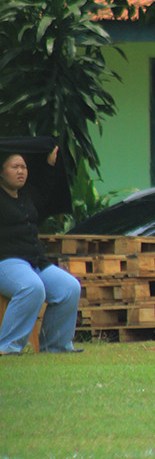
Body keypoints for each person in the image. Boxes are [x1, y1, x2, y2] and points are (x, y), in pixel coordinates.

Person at [0, 138, 82, 355]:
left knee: (69, 288)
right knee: (31, 287)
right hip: (6, 261)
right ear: (1, 172)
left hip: (35, 261)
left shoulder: (27, 195)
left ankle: (55, 346)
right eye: (15, 167)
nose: (21, 172)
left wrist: (49, 165)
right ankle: (7, 346)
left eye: (24, 167)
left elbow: (45, 191)